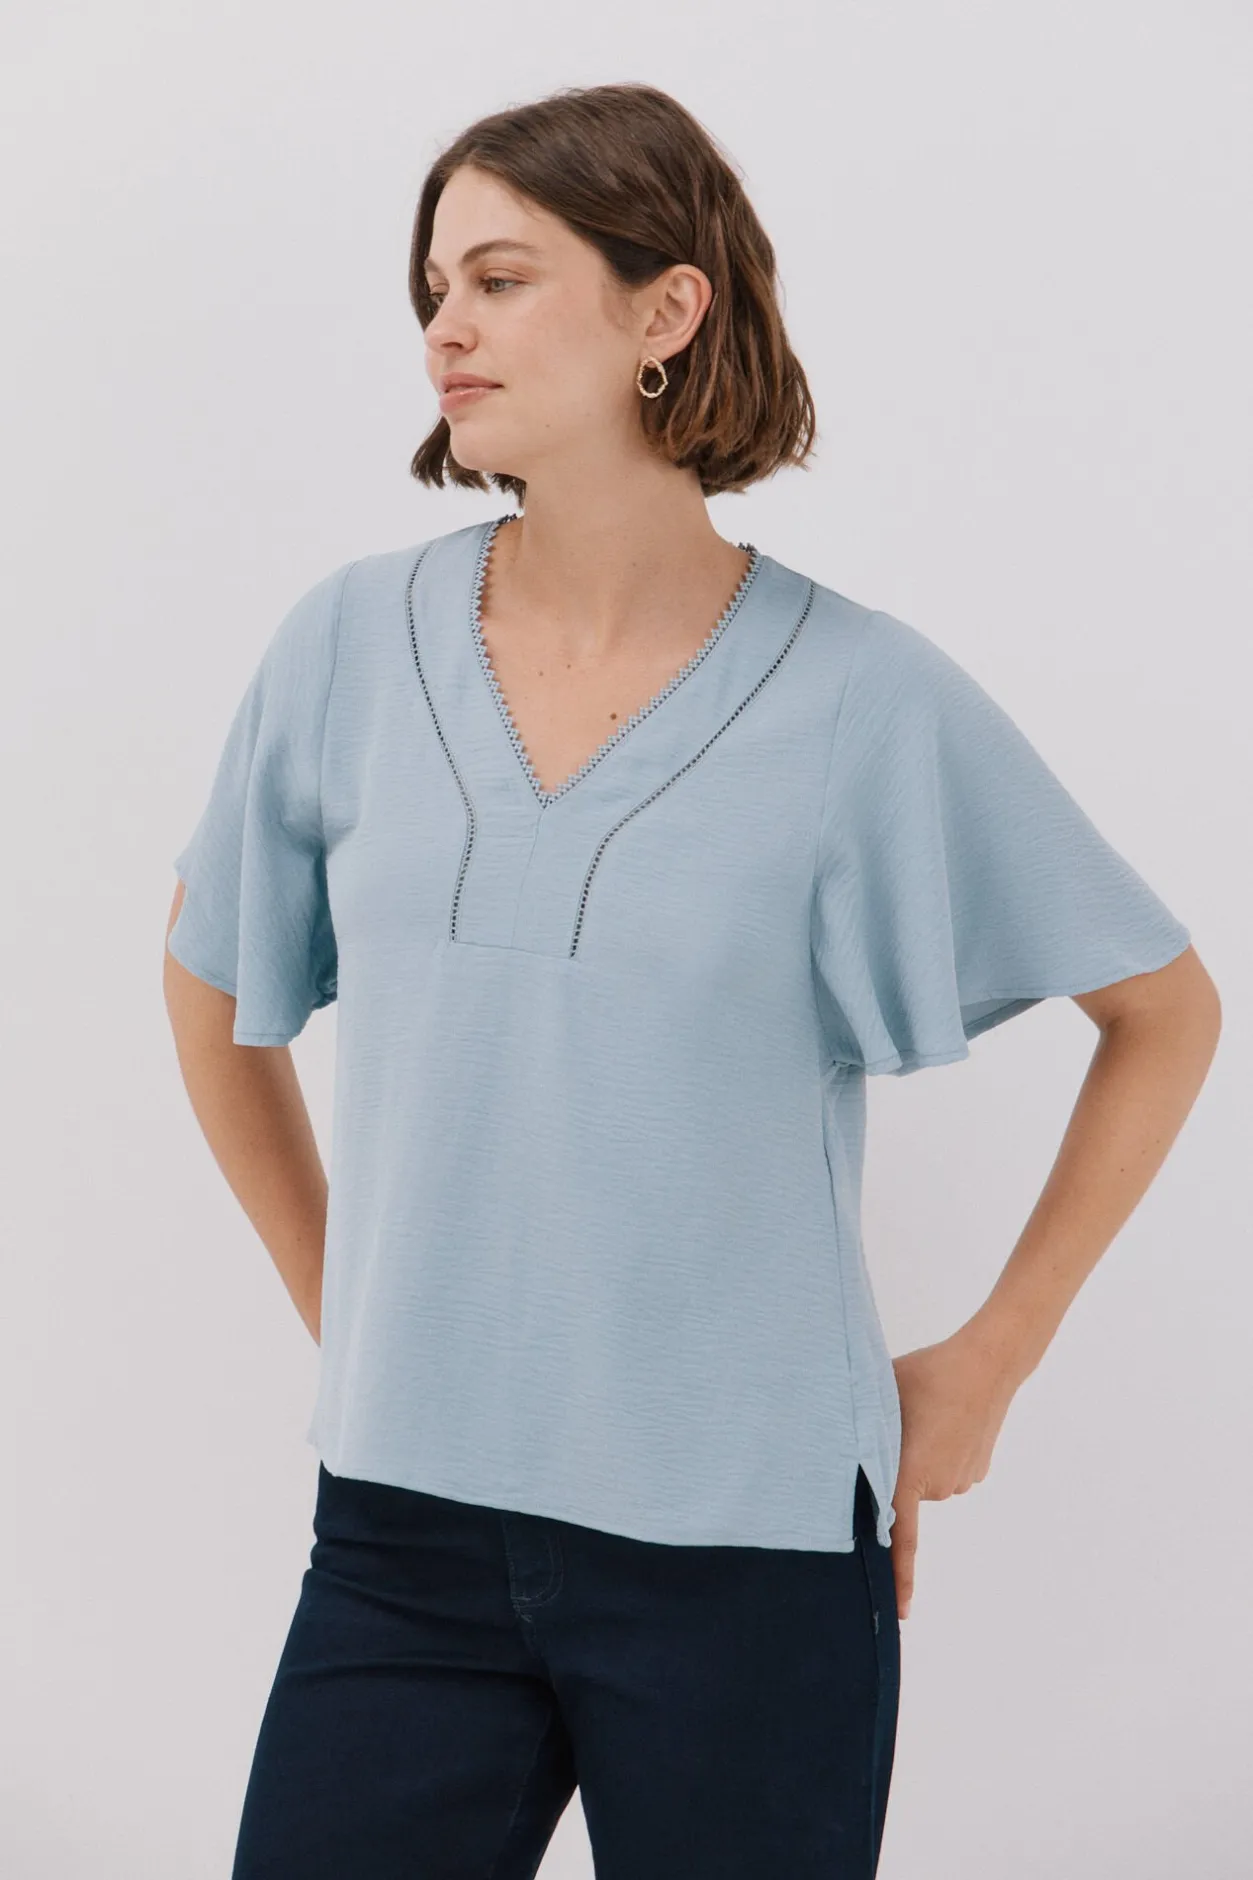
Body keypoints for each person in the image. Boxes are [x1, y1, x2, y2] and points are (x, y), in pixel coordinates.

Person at [163, 81, 1220, 1880]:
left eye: (502, 279)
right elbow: (210, 987)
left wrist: (989, 1361)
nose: (446, 326)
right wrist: (347, 1300)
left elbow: (1164, 1011)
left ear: (668, 309)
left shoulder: (864, 701)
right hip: (401, 1540)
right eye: (434, 286)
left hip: (748, 1558)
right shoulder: (346, 646)